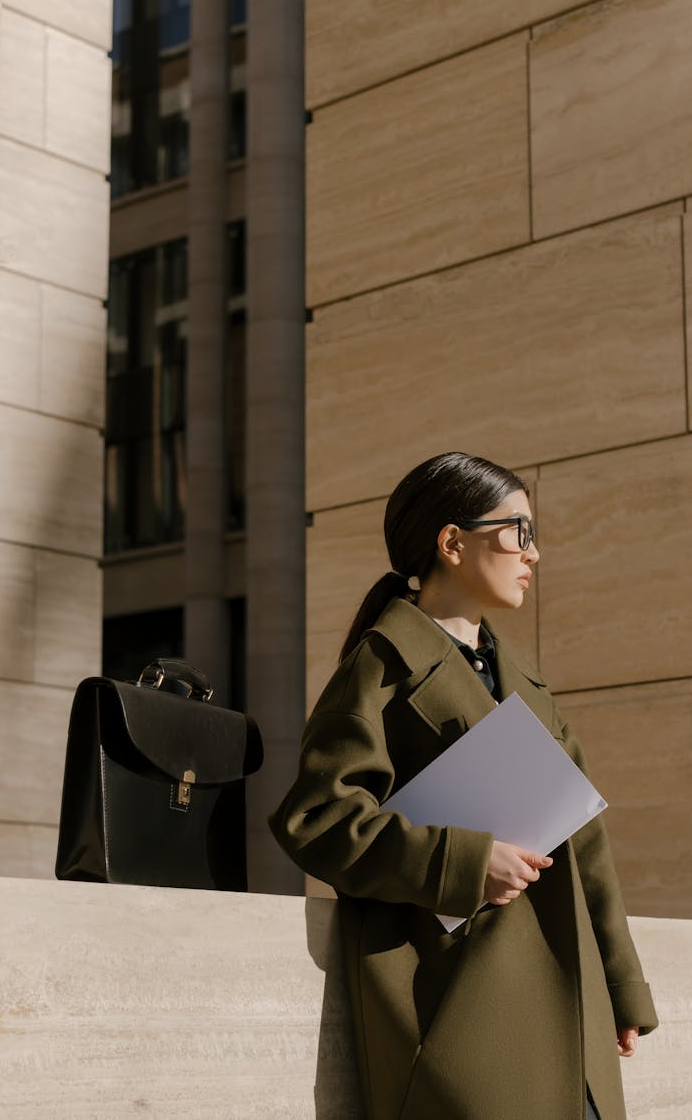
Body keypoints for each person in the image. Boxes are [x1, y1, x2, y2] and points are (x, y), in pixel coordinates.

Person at [269, 452, 657, 1120]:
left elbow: (586, 849)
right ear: (453, 542)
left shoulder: (525, 682)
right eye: (520, 532)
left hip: (574, 1006)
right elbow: (319, 817)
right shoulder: (382, 665)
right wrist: (466, 860)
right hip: (463, 1003)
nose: (535, 554)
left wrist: (623, 987)